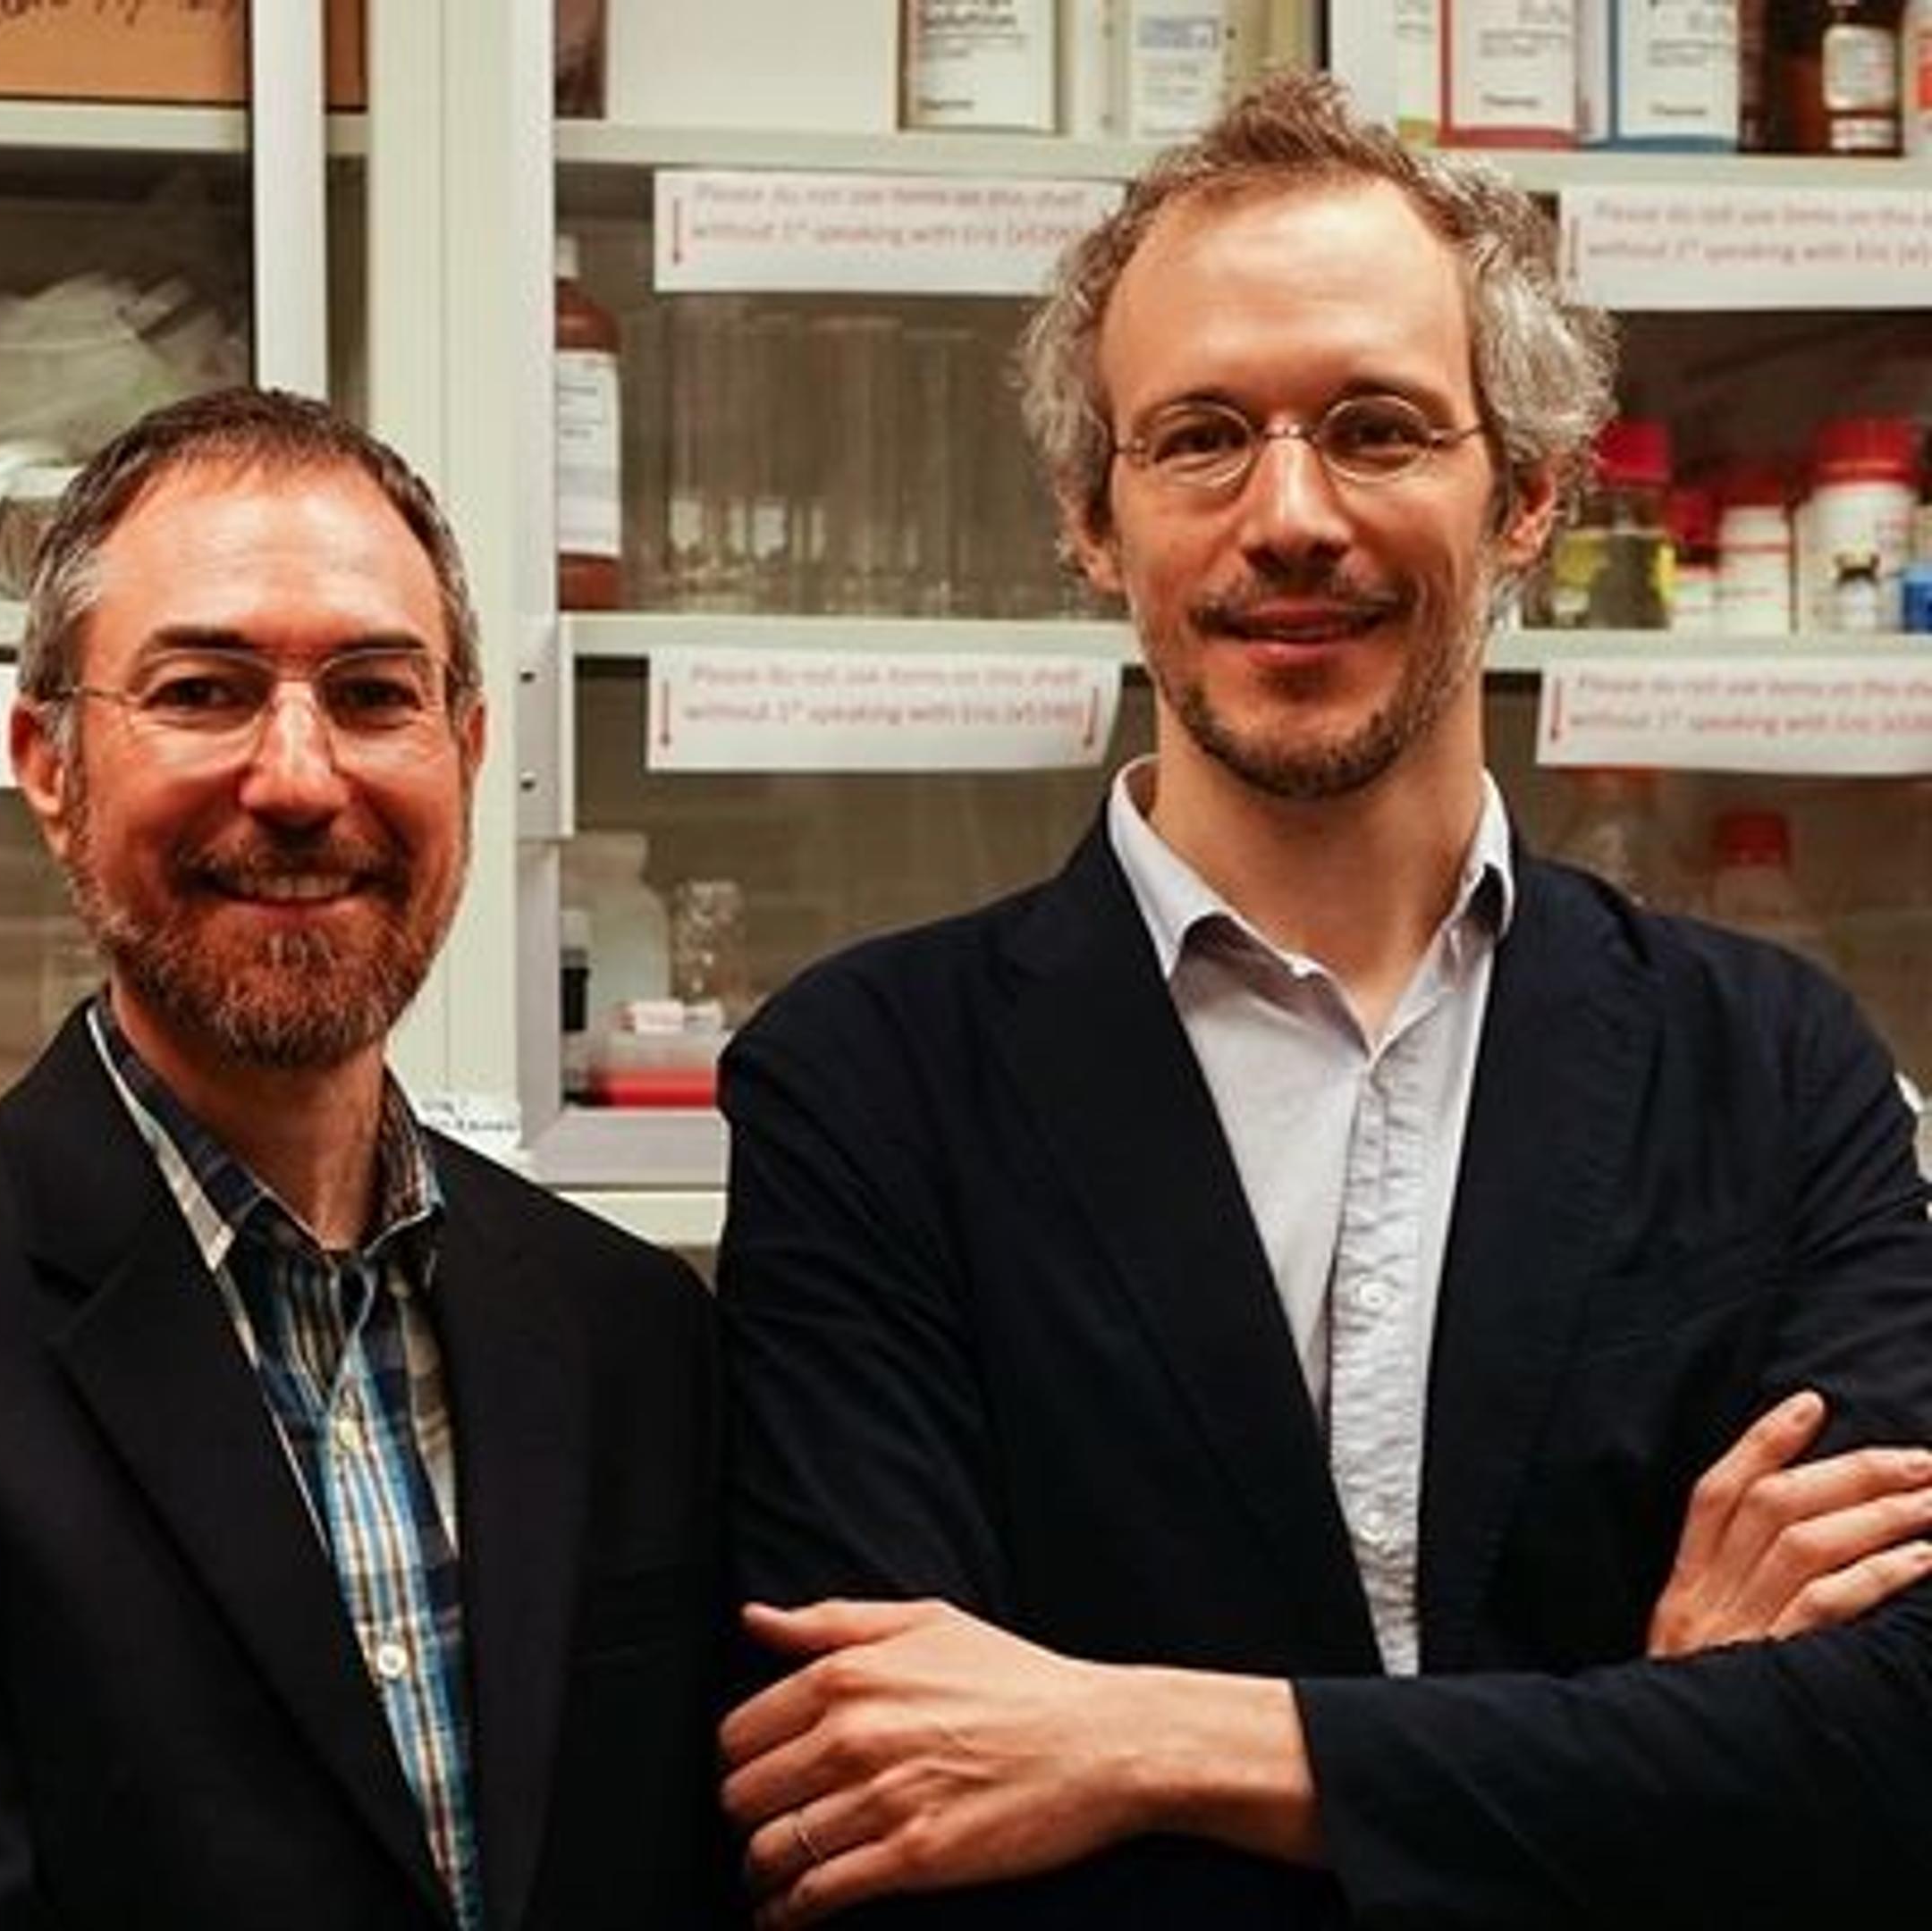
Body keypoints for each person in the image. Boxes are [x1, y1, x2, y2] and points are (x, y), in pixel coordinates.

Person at [714, 72, 1932, 1927]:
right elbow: (872, 1812)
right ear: (1094, 517)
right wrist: (1648, 1746)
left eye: (1378, 429)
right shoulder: (866, 1085)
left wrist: (1133, 1744)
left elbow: (1886, 1756)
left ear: (1528, 496)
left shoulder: (1771, 1067)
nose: (1289, 515)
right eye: (1201, 437)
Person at [0, 386, 731, 1931]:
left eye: (374, 695)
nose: (298, 778)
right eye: (204, 692)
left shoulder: (633, 1334)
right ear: (48, 766)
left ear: (470, 750)